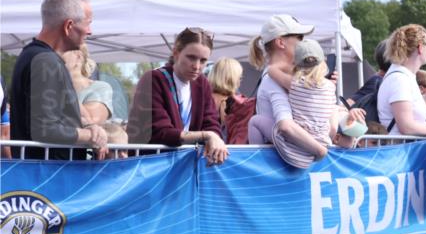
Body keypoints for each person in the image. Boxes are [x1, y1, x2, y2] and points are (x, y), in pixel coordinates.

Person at [10, 0, 108, 160]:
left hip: (41, 174)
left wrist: (88, 126)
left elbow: (53, 118)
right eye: (87, 23)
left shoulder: (33, 55)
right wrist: (91, 136)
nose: (90, 31)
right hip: (50, 176)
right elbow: (46, 129)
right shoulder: (45, 61)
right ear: (69, 26)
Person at [127, 28, 228, 165]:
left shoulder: (202, 83)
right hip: (150, 167)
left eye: (203, 60)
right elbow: (161, 132)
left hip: (183, 166)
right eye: (191, 57)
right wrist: (207, 135)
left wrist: (214, 136)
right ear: (176, 53)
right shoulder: (153, 79)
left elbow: (211, 122)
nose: (197, 66)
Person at [247, 14, 332, 163]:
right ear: (280, 42)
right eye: (299, 37)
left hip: (293, 162)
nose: (303, 41)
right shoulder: (273, 80)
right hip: (286, 163)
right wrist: (320, 150)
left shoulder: (286, 77)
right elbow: (286, 126)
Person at [271, 39, 366, 167]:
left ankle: (261, 159)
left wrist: (291, 66)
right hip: (321, 147)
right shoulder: (330, 87)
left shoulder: (293, 84)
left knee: (256, 121)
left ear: (296, 64)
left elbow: (272, 70)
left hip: (293, 150)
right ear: (323, 63)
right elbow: (333, 127)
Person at [61, 44, 128, 149]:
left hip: (84, 159)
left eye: (60, 51)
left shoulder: (100, 88)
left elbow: (92, 122)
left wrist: (63, 86)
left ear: (78, 56)